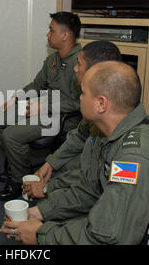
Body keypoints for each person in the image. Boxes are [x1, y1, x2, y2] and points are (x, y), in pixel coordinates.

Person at [0, 61, 149, 245]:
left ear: (101, 104)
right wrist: (40, 213)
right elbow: (90, 191)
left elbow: (108, 236)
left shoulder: (134, 158)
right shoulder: (109, 135)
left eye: (83, 93)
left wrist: (42, 235)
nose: (80, 100)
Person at [0, 11, 83, 201]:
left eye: (51, 30)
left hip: (64, 119)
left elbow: (80, 103)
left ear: (65, 35)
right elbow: (37, 85)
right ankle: (22, 170)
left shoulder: (81, 62)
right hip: (41, 109)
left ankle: (19, 181)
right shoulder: (53, 59)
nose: (47, 34)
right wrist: (15, 100)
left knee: (11, 135)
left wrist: (47, 107)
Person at [22, 41, 122, 200]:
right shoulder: (100, 109)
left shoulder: (129, 154)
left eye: (79, 64)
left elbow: (109, 213)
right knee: (58, 170)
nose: (75, 68)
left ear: (95, 73)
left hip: (110, 206)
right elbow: (79, 136)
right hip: (95, 180)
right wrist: (50, 163)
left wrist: (47, 192)